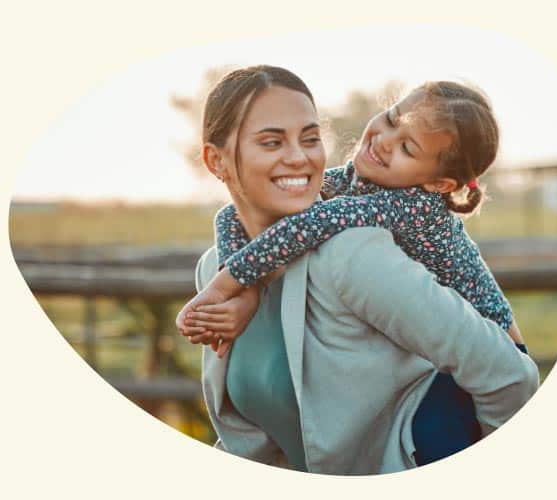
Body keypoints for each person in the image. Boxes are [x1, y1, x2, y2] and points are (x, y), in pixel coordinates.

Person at [177, 65, 538, 474]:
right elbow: (231, 217)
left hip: (465, 386)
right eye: (272, 141)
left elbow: (508, 374)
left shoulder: (370, 235)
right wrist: (241, 284)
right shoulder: (213, 266)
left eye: (311, 138)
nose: (298, 157)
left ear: (439, 182)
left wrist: (231, 286)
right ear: (216, 160)